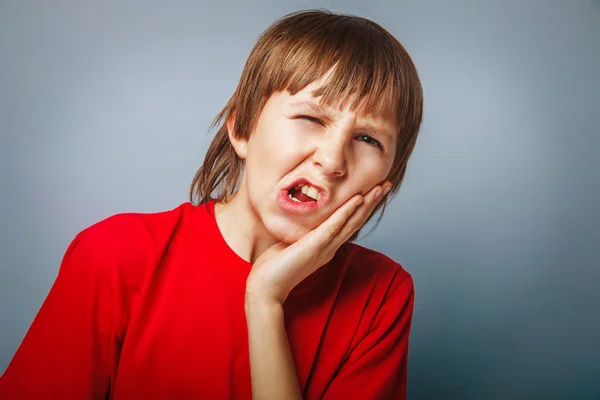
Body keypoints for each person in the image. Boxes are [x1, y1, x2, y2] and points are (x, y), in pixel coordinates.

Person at [0, 9, 423, 399]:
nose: (332, 161)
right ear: (240, 128)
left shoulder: (381, 295)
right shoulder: (115, 256)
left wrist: (264, 300)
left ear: (388, 178)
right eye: (311, 118)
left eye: (368, 139)